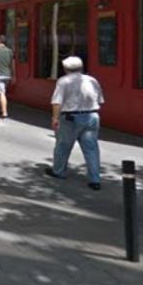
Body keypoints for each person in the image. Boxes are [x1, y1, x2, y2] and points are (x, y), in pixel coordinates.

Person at [45, 56, 105, 191]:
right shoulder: (92, 80)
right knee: (91, 149)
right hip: (92, 115)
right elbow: (100, 100)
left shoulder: (63, 81)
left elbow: (57, 102)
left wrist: (55, 118)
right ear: (81, 67)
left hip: (70, 118)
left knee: (63, 146)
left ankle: (59, 171)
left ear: (65, 68)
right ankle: (95, 179)